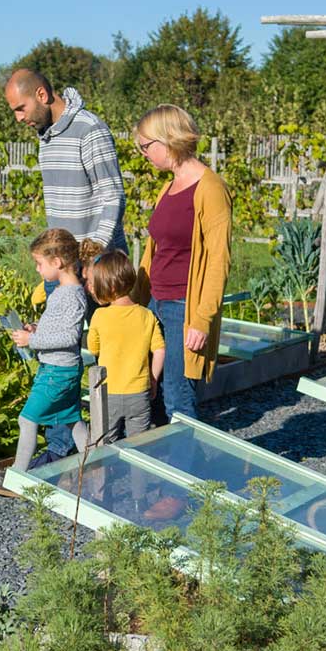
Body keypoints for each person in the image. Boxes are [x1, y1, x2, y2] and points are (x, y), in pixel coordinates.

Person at [132, 105, 232, 423]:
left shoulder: (211, 189)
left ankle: (187, 468)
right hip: (155, 301)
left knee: (178, 396)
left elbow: (219, 259)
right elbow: (156, 250)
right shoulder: (169, 186)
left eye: (146, 146)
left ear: (168, 140)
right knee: (151, 389)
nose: (143, 154)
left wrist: (202, 319)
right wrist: (136, 299)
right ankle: (162, 465)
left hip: (183, 308)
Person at [2, 68, 127, 265]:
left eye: (21, 108)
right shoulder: (46, 136)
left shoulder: (89, 129)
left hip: (96, 266)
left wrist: (94, 254)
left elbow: (113, 197)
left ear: (42, 95)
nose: (18, 118)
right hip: (61, 263)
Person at [11, 229, 89, 469]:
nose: (37, 269)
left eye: (39, 263)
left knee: (27, 419)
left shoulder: (71, 295)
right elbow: (60, 327)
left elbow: (69, 336)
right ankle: (96, 466)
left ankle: (18, 476)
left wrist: (31, 341)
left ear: (57, 262)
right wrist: (36, 329)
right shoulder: (64, 292)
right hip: (58, 369)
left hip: (58, 372)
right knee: (71, 420)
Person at [84, 250, 165, 442]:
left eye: (96, 285)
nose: (92, 289)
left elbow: (94, 349)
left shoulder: (100, 316)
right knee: (139, 447)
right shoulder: (147, 315)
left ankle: (107, 473)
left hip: (108, 393)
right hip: (139, 392)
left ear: (109, 287)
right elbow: (160, 350)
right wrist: (153, 380)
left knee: (104, 443)